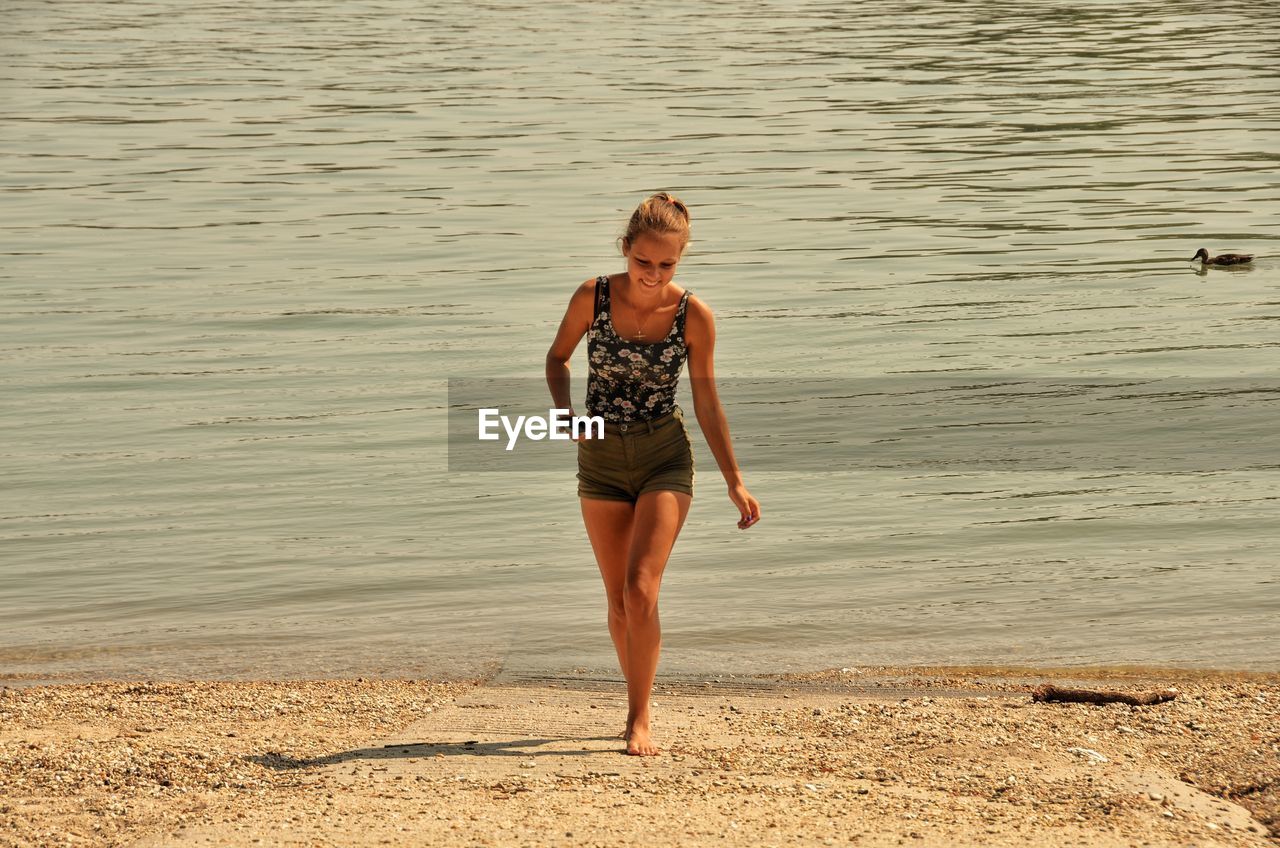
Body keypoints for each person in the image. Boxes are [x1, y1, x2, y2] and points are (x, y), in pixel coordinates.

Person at [545, 192, 761, 756]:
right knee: (618, 599)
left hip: (665, 454)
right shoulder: (591, 297)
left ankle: (638, 716)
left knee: (642, 589)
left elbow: (708, 402)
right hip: (600, 458)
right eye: (644, 262)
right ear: (626, 250)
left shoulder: (695, 315)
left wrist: (734, 479)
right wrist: (565, 413)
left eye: (667, 264)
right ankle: (634, 693)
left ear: (680, 259)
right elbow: (557, 357)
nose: (653, 274)